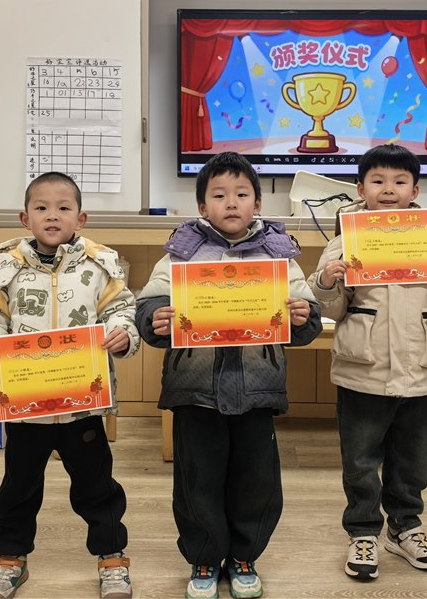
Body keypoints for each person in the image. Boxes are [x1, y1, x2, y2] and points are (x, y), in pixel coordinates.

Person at [136, 152, 322, 599]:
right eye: (219, 195)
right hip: (194, 390)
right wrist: (154, 318)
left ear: (257, 203)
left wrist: (303, 316)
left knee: (257, 482)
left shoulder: (279, 253)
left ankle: (243, 556)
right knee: (196, 482)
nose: (231, 202)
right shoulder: (181, 252)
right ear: (202, 206)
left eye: (241, 194)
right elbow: (150, 304)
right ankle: (204, 557)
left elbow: (307, 317)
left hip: (258, 389)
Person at [0, 171, 138, 599]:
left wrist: (123, 333)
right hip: (25, 408)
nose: (52, 215)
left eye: (63, 208)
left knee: (97, 487)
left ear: (81, 218)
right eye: (41, 208)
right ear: (25, 218)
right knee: (18, 488)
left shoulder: (101, 265)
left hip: (82, 407)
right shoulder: (7, 267)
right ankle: (10, 559)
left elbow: (121, 309)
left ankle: (112, 558)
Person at [306, 143, 427, 581]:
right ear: (360, 188)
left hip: (419, 368)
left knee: (412, 460)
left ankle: (405, 527)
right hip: (361, 369)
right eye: (378, 181)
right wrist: (326, 281)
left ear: (415, 190)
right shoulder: (343, 242)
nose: (389, 189)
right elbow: (333, 310)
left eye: (400, 181)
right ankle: (363, 531)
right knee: (360, 461)